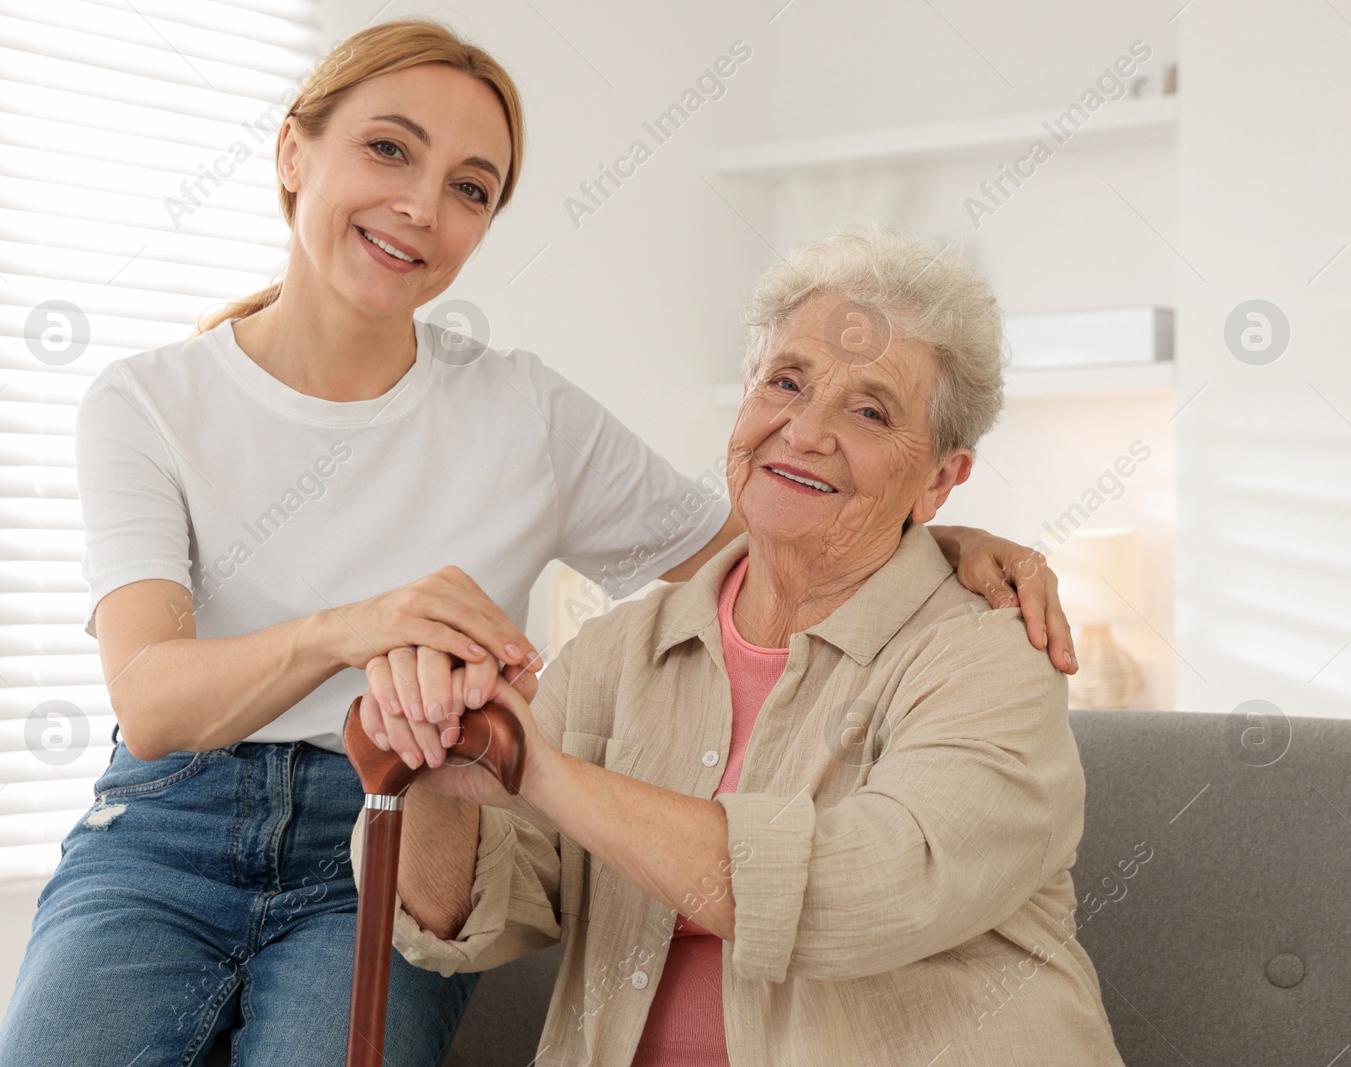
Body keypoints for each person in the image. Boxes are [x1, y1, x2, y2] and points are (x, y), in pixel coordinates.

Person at [0, 21, 1075, 1067]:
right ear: (291, 149)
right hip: (168, 817)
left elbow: (770, 528)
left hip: (386, 811)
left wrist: (935, 532)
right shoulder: (148, 400)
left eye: (470, 187)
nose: (421, 205)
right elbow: (151, 697)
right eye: (387, 148)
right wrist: (352, 630)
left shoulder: (527, 414)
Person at [366, 227, 1126, 1067]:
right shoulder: (621, 651)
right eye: (787, 382)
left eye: (870, 411)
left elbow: (851, 893)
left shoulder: (990, 659)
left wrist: (541, 770)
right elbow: (464, 913)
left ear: (942, 479)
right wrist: (436, 749)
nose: (804, 431)